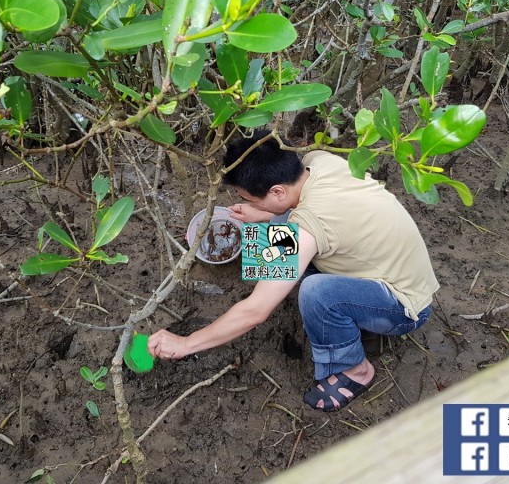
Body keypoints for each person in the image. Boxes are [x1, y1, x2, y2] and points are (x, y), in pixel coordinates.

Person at [148, 131, 439, 411]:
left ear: (276, 191)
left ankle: (355, 369)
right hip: (392, 267)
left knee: (317, 294)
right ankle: (283, 279)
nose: (247, 204)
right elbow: (292, 208)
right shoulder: (317, 161)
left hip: (403, 306)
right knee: (280, 228)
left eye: (250, 199)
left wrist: (186, 344)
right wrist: (264, 213)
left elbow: (255, 312)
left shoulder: (308, 227)